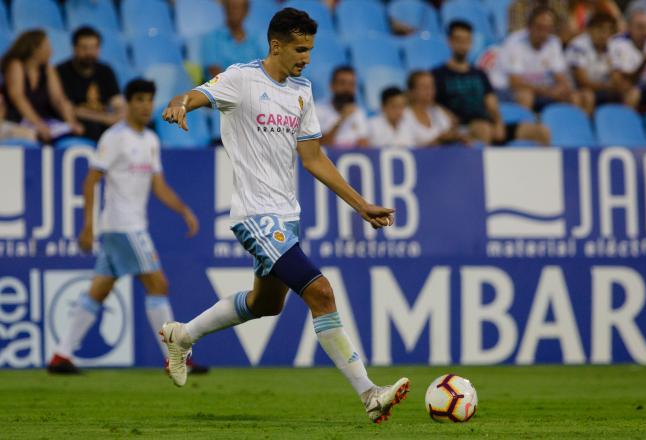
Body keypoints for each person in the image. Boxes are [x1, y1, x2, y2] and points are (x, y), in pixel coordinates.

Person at [160, 8, 409, 424]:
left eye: (310, 49)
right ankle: (369, 393)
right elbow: (196, 95)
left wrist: (361, 204)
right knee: (322, 293)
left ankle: (182, 334)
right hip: (254, 214)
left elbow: (313, 158)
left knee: (266, 303)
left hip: (286, 215)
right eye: (299, 49)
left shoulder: (301, 91)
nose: (306, 57)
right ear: (276, 45)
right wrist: (179, 102)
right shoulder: (241, 79)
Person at [47, 79, 208, 376]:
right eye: (140, 99)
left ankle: (60, 355)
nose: (146, 106)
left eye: (150, 99)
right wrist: (87, 226)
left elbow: (158, 185)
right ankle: (175, 358)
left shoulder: (150, 140)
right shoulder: (115, 138)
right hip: (124, 227)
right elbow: (91, 180)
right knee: (158, 284)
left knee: (98, 291)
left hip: (123, 228)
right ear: (129, 103)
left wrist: (183, 209)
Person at [433, 20, 550, 145]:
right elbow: (431, 104)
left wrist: (499, 123)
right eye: (458, 40)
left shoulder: (479, 74)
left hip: (488, 123)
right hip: (463, 128)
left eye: (467, 40)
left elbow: (491, 102)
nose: (463, 45)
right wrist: (446, 115)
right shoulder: (438, 74)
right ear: (449, 41)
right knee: (482, 129)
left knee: (540, 131)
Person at [495, 6, 588, 113]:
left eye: (548, 29)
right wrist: (547, 91)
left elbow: (560, 77)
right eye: (539, 27)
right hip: (506, 90)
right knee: (525, 96)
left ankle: (574, 128)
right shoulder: (514, 42)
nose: (543, 33)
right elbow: (515, 82)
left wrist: (561, 88)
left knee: (575, 97)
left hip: (542, 88)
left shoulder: (553, 42)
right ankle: (527, 127)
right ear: (529, 26)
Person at [0, 30, 84, 144]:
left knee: (72, 135)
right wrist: (38, 124)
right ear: (34, 49)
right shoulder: (15, 65)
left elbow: (59, 99)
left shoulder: (48, 69)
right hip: (17, 119)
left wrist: (72, 123)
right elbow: (17, 98)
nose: (51, 50)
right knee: (33, 136)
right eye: (47, 46)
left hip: (43, 119)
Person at [57, 26, 125, 142]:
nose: (89, 53)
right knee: (92, 127)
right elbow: (69, 108)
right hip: (79, 123)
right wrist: (105, 118)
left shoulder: (105, 71)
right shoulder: (62, 72)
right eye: (84, 48)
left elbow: (118, 102)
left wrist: (120, 116)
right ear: (74, 48)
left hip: (104, 121)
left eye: (94, 48)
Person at [566, 13, 638, 111]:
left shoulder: (612, 46)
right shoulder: (578, 46)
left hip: (603, 88)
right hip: (579, 89)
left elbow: (616, 77)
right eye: (600, 29)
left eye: (608, 30)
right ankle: (587, 125)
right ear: (589, 30)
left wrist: (619, 84)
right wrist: (608, 87)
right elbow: (583, 82)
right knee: (588, 96)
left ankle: (623, 123)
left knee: (633, 92)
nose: (604, 34)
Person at [610, 9, 646, 109]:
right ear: (629, 27)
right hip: (627, 89)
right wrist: (643, 64)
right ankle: (626, 122)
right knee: (632, 93)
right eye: (640, 27)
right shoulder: (617, 43)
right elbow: (625, 80)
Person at [201, 0, 263, 78]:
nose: (234, 12)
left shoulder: (255, 39)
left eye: (238, 8)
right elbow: (214, 71)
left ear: (246, 12)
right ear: (225, 10)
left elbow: (263, 69)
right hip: (219, 88)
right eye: (231, 7)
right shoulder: (211, 37)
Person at [405, 70, 468, 147]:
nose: (430, 91)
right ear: (412, 91)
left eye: (432, 86)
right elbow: (407, 149)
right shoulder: (405, 115)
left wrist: (457, 136)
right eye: (424, 87)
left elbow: (448, 135)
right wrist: (439, 141)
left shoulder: (438, 112)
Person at [316, 65, 369, 148]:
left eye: (351, 84)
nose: (347, 89)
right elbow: (320, 144)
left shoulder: (358, 112)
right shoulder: (318, 110)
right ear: (332, 86)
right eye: (342, 83)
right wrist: (342, 118)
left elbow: (364, 144)